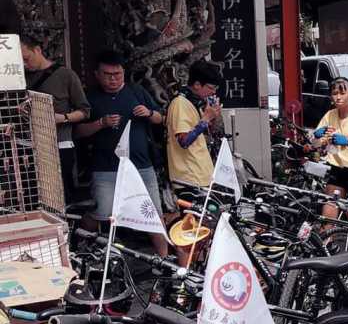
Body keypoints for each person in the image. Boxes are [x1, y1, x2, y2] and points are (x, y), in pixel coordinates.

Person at [75, 50, 168, 257]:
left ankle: (164, 260)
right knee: (103, 212)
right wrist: (101, 123)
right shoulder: (90, 97)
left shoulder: (137, 92)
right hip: (105, 167)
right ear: (97, 74)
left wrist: (149, 113)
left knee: (153, 213)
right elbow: (78, 132)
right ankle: (79, 245)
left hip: (141, 166)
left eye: (117, 74)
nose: (113, 79)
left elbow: (161, 118)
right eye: (108, 74)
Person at [21, 35, 90, 200]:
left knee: (58, 197)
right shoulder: (20, 77)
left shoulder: (66, 75)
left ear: (37, 50)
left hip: (59, 144)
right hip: (27, 145)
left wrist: (63, 118)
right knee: (31, 197)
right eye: (20, 61)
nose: (24, 64)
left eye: (26, 59)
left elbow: (85, 111)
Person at [312, 77, 348, 217]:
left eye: (342, 93)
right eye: (334, 93)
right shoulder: (329, 115)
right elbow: (315, 144)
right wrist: (317, 137)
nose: (338, 97)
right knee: (330, 207)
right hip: (337, 168)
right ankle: (328, 238)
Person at [166, 63, 222, 191]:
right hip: (188, 178)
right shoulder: (180, 103)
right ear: (197, 84)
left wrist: (213, 116)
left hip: (200, 174)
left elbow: (207, 134)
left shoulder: (195, 102)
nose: (213, 92)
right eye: (211, 88)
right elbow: (184, 141)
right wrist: (206, 119)